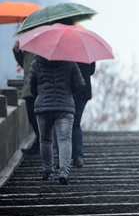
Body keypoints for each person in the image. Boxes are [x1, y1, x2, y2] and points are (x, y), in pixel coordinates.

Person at [29, 55, 85, 185]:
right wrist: (68, 92)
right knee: (65, 139)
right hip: (64, 107)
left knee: (45, 140)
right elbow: (80, 83)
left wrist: (42, 92)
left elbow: (32, 88)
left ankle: (48, 172)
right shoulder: (70, 62)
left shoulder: (35, 63)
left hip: (43, 108)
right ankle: (64, 172)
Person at [12, 40, 40, 155]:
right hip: (28, 90)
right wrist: (17, 50)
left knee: (39, 119)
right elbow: (24, 63)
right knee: (32, 119)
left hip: (39, 90)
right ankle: (40, 142)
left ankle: (40, 144)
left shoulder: (40, 46)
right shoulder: (27, 48)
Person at [72, 62, 95, 167]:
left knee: (63, 124)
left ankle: (62, 157)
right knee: (76, 123)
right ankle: (78, 156)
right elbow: (91, 71)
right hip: (83, 91)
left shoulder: (65, 48)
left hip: (69, 90)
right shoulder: (86, 48)